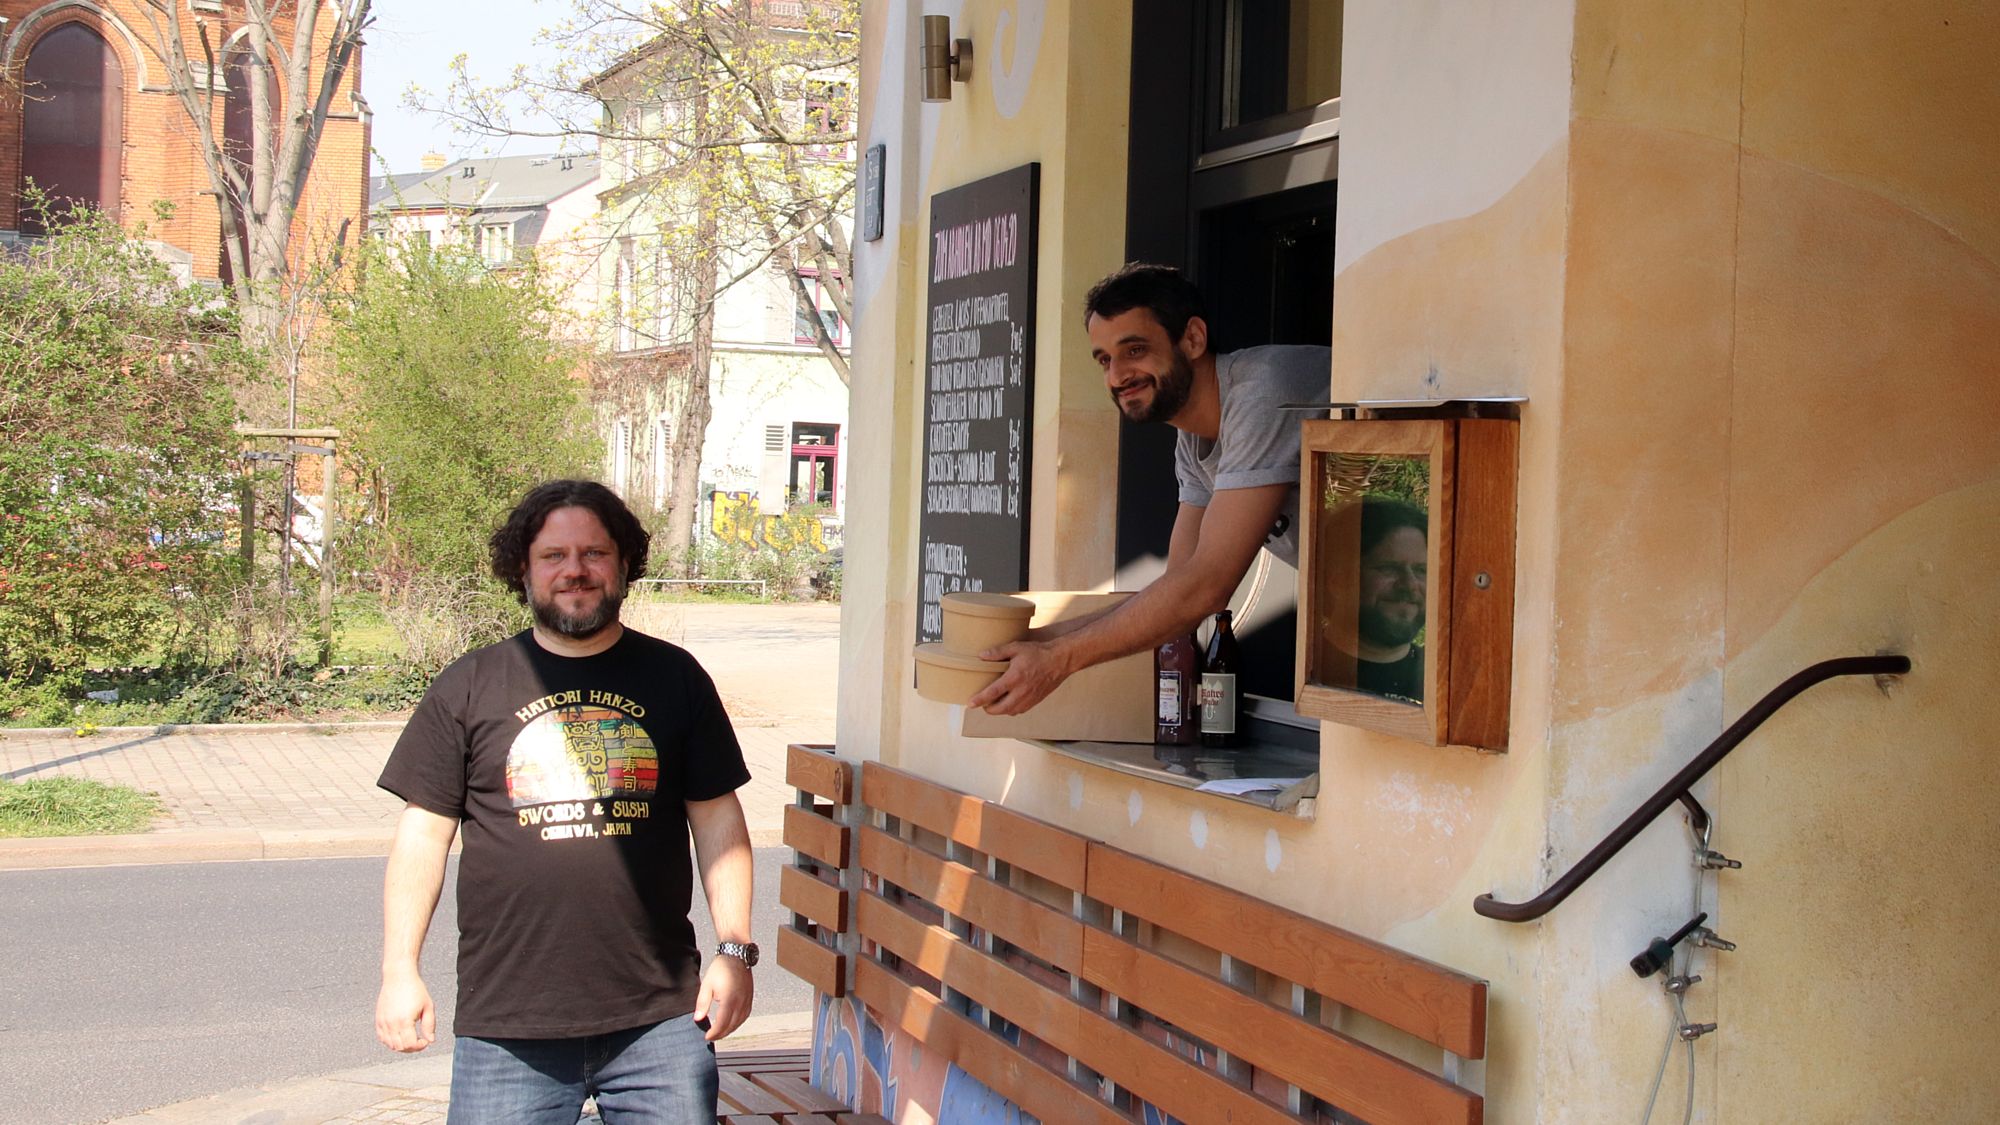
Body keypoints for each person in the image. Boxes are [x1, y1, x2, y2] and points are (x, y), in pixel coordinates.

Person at [373, 479, 756, 1124]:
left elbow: (719, 821)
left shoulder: (676, 677)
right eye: (553, 556)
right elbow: (422, 837)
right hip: (508, 1026)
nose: (574, 570)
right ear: (522, 570)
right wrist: (398, 971)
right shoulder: (470, 685)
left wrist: (735, 949)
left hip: (661, 1019)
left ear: (624, 564)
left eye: (594, 554)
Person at [970, 263, 1329, 716]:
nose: (1117, 375)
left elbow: (1205, 588)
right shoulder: (1194, 436)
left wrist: (1058, 660)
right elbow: (1178, 583)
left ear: (1193, 339)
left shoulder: (1262, 391)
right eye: (1104, 359)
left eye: (1134, 350)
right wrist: (1034, 642)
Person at [1350, 497, 1427, 702]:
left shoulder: (1446, 681)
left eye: (1421, 570)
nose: (1409, 584)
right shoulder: (1299, 670)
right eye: (1388, 568)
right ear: (1337, 577)